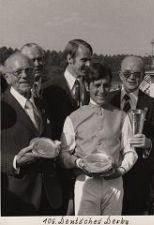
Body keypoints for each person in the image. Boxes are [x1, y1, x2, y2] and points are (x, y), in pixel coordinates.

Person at [59, 62, 137, 215]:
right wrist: (79, 163)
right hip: (85, 183)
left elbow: (130, 151)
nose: (102, 90)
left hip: (114, 183)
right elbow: (63, 155)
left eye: (106, 85)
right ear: (88, 86)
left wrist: (120, 171)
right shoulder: (73, 117)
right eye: (97, 85)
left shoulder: (121, 116)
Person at [1, 52, 62, 215]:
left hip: (49, 196)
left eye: (28, 70)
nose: (24, 76)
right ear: (7, 77)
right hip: (17, 197)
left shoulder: (42, 104)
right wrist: (14, 161)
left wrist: (55, 145)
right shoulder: (2, 106)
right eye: (18, 72)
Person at [43, 39, 93, 214]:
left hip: (85, 166)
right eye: (84, 60)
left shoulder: (91, 87)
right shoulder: (50, 89)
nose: (89, 64)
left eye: (90, 60)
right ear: (69, 58)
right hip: (59, 168)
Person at [107, 56, 154, 215]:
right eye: (127, 73)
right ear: (120, 74)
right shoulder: (108, 100)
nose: (132, 77)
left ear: (143, 76)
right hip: (109, 173)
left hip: (138, 177)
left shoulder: (151, 104)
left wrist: (148, 143)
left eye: (137, 74)